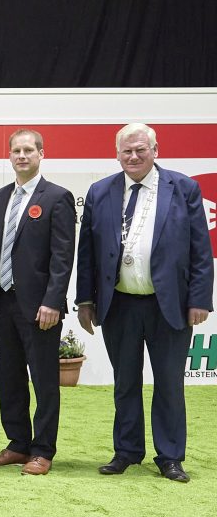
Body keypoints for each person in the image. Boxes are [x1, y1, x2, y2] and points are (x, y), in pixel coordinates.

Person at [76, 123, 213, 483]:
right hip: (119, 303)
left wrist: (199, 299)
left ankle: (170, 457)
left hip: (169, 304)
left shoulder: (183, 188)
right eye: (127, 151)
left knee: (169, 383)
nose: (133, 156)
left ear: (155, 150)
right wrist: (85, 300)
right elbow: (86, 252)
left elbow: (201, 249)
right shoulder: (100, 191)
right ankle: (126, 451)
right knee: (125, 382)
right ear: (117, 154)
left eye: (141, 149)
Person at [0, 129, 76, 476]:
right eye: (16, 150)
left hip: (41, 307)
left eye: (28, 150)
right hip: (4, 301)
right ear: (10, 156)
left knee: (44, 380)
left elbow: (63, 256)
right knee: (11, 377)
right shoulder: (1, 197)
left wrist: (53, 301)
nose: (21, 156)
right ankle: (18, 444)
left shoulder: (58, 197)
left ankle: (42, 450)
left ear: (41, 154)